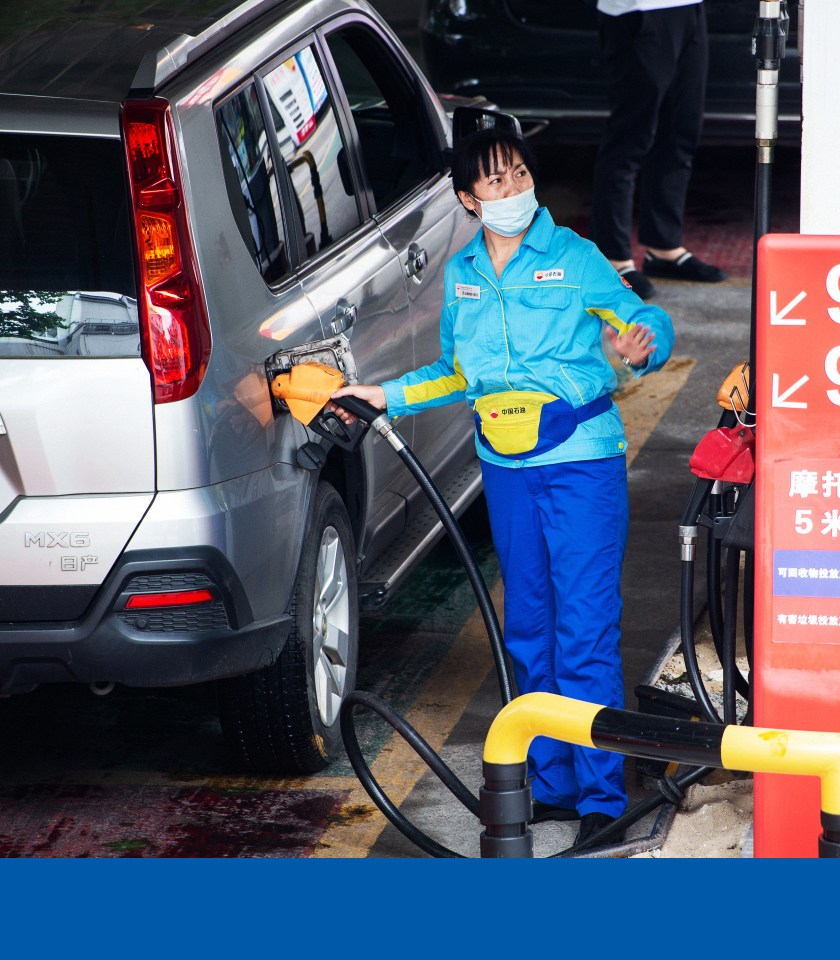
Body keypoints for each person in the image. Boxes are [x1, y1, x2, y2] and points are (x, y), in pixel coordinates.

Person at [329, 126, 675, 847]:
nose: (514, 191)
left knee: (584, 632)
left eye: (520, 175)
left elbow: (644, 319)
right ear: (468, 199)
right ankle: (549, 785)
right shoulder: (461, 277)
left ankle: (603, 798)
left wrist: (644, 343)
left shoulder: (574, 257)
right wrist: (384, 395)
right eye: (496, 183)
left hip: (580, 461)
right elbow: (459, 373)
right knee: (529, 631)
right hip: (506, 470)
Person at [589, 0, 726, 300]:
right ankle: (612, 259)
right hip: (637, 11)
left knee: (680, 132)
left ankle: (663, 247)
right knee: (630, 138)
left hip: (689, 7)